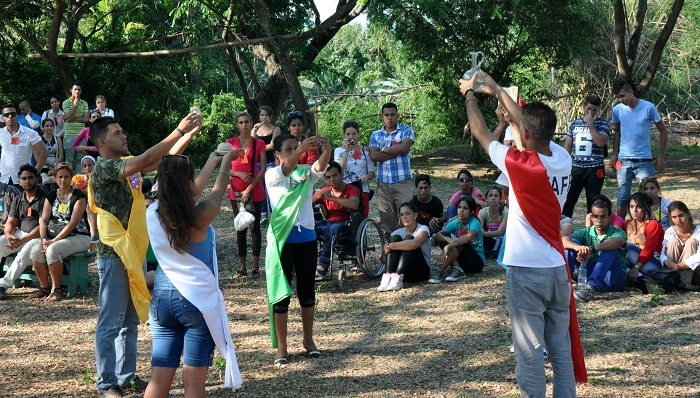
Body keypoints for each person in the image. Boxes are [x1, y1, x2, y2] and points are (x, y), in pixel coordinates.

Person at [460, 71, 586, 395]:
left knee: (529, 354)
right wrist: (497, 90)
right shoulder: (562, 157)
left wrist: (470, 95)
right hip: (558, 269)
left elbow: (479, 130)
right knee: (560, 351)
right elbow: (525, 125)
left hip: (526, 272)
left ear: (524, 133)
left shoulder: (517, 163)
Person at [88, 113, 202, 397]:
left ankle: (125, 377)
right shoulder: (104, 168)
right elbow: (146, 159)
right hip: (115, 254)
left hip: (133, 252)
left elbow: (156, 162)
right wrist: (177, 129)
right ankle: (106, 383)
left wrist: (186, 136)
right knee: (110, 321)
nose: (123, 135)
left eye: (122, 130)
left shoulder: (124, 167)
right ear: (101, 141)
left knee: (129, 321)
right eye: (117, 133)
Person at [144, 150, 244, 397]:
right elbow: (218, 189)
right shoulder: (199, 216)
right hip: (196, 302)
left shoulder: (152, 212)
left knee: (158, 378)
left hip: (161, 299)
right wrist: (225, 164)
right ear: (188, 183)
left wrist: (213, 158)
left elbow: (189, 195)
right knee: (194, 383)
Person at [264, 133, 331, 366]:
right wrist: (301, 149)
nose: (295, 152)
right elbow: (286, 168)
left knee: (307, 291)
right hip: (283, 241)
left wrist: (327, 149)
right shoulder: (272, 175)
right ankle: (282, 348)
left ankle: (309, 341)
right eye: (289, 149)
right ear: (278, 155)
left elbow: (320, 167)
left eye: (297, 148)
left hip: (307, 240)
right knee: (282, 295)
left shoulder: (305, 174)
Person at [28, 163, 91, 301]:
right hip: (53, 235)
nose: (63, 180)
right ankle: (44, 287)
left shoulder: (79, 196)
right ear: (55, 178)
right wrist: (44, 238)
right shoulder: (51, 196)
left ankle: (56, 290)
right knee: (35, 250)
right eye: (60, 177)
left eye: (66, 177)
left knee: (53, 250)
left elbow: (73, 223)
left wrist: (53, 241)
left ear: (71, 178)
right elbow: (43, 220)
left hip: (79, 235)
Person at [610, 79, 669, 218]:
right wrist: (614, 152)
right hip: (624, 160)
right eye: (618, 97)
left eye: (622, 95)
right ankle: (622, 228)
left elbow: (663, 131)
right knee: (623, 194)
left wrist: (660, 156)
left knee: (649, 194)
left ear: (631, 91)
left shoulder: (648, 107)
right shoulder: (617, 110)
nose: (620, 99)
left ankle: (654, 224)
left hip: (644, 160)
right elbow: (617, 132)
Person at [226, 111, 267, 279]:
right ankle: (242, 267)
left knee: (254, 228)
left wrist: (250, 187)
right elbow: (224, 169)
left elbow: (263, 168)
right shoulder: (230, 144)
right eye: (241, 122)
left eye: (247, 121)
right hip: (235, 190)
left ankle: (256, 266)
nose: (244, 125)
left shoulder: (259, 144)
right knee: (240, 227)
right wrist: (238, 175)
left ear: (251, 123)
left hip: (255, 190)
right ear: (237, 124)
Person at [563, 199, 628, 302]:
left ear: (610, 218)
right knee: (570, 247)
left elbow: (618, 242)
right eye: (596, 217)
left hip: (613, 280)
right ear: (591, 218)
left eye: (603, 217)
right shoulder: (585, 232)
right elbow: (563, 240)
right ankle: (562, 283)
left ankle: (590, 288)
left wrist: (592, 249)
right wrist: (577, 248)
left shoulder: (618, 232)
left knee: (609, 249)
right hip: (590, 275)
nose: (599, 221)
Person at [0, 165, 48, 300]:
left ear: (37, 179)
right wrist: (9, 235)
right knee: (0, 243)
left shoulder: (45, 198)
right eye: (24, 178)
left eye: (30, 178)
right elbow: (10, 222)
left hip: (40, 237)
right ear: (19, 181)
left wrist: (21, 241)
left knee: (24, 252)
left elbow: (42, 226)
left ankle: (2, 285)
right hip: (21, 234)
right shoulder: (19, 198)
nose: (27, 181)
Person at [369, 103, 415, 235]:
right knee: (387, 220)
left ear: (397, 115)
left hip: (402, 182)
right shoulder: (376, 135)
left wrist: (385, 150)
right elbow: (374, 156)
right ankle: (391, 249)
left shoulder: (406, 130)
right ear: (381, 116)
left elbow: (405, 147)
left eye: (392, 114)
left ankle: (408, 247)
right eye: (386, 115)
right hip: (383, 184)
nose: (389, 118)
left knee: (407, 217)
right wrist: (398, 149)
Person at [562, 94, 610, 217]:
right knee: (569, 199)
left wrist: (590, 125)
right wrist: (564, 164)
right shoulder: (574, 124)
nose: (591, 112)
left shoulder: (602, 124)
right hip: (576, 167)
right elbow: (567, 147)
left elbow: (600, 142)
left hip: (595, 169)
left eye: (594, 109)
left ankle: (591, 229)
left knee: (593, 200)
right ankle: (564, 227)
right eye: (589, 109)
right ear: (583, 107)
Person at [312, 161, 360, 279]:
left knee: (331, 229)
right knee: (308, 228)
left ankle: (322, 265)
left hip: (345, 223)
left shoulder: (352, 189)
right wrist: (318, 197)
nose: (332, 179)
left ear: (341, 174)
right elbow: (306, 203)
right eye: (328, 177)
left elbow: (354, 204)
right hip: (328, 222)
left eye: (334, 175)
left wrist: (332, 198)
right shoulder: (325, 190)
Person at [376, 201, 430, 291]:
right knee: (395, 238)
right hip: (404, 274)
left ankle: (397, 278)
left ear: (415, 215)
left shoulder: (423, 229)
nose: (404, 217)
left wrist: (391, 246)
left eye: (407, 214)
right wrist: (388, 250)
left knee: (409, 239)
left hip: (419, 272)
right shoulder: (396, 233)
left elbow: (415, 244)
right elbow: (384, 258)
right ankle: (388, 277)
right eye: (401, 215)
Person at [431, 195, 486, 283]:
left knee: (460, 241)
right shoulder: (456, 222)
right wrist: (447, 239)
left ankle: (441, 269)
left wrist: (448, 246)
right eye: (459, 207)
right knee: (446, 236)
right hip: (461, 259)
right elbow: (437, 235)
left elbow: (467, 238)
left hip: (475, 262)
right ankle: (457, 268)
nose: (461, 210)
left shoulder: (475, 222)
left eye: (465, 208)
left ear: (472, 212)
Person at [334, 120, 376, 218]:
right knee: (344, 218)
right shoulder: (339, 151)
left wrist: (366, 177)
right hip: (344, 189)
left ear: (358, 134)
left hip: (362, 189)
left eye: (354, 134)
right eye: (348, 134)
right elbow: (338, 170)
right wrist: (346, 151)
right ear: (343, 135)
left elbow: (372, 172)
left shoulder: (365, 151)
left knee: (361, 217)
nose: (351, 137)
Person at [0, 104, 48, 185]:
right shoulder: (1, 133)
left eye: (13, 114)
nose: (10, 116)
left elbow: (44, 152)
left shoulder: (30, 133)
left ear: (17, 116)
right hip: (4, 178)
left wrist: (35, 172)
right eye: (6, 115)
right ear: (2, 118)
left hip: (23, 179)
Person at [660, 201, 700, 288]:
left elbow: (698, 257)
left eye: (681, 215)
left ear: (688, 214)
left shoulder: (698, 231)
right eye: (674, 217)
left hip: (695, 272)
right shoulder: (670, 231)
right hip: (673, 270)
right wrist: (667, 262)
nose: (678, 220)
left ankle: (683, 283)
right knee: (673, 242)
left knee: (691, 242)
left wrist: (679, 266)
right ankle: (673, 280)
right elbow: (663, 253)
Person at [625, 192, 663, 282]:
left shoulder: (653, 224)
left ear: (645, 208)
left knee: (626, 245)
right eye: (631, 207)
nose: (634, 210)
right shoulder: (627, 224)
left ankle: (638, 275)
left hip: (653, 262)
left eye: (639, 206)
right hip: (634, 261)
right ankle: (640, 278)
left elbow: (649, 250)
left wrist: (636, 267)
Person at [252, 105, 281, 223]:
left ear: (271, 117)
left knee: (271, 188)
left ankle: (274, 213)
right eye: (262, 115)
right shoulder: (255, 129)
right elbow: (252, 144)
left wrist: (259, 148)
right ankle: (264, 215)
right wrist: (253, 130)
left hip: (270, 162)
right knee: (261, 188)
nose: (264, 118)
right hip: (257, 163)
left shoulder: (276, 129)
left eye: (267, 115)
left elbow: (272, 145)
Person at [62, 82, 90, 171]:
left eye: (79, 89)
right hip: (70, 135)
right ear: (71, 90)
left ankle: (80, 182)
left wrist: (72, 118)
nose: (77, 91)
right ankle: (69, 183)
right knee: (69, 160)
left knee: (81, 159)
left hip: (81, 135)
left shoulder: (84, 103)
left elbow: (86, 119)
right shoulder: (66, 103)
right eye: (75, 89)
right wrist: (75, 106)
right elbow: (68, 118)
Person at [478, 185, 508, 259]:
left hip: (503, 240)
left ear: (500, 199)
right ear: (486, 199)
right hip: (490, 238)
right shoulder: (482, 212)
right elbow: (479, 228)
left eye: (496, 196)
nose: (493, 198)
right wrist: (482, 233)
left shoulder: (506, 212)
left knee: (496, 255)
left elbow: (500, 232)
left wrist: (484, 233)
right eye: (490, 195)